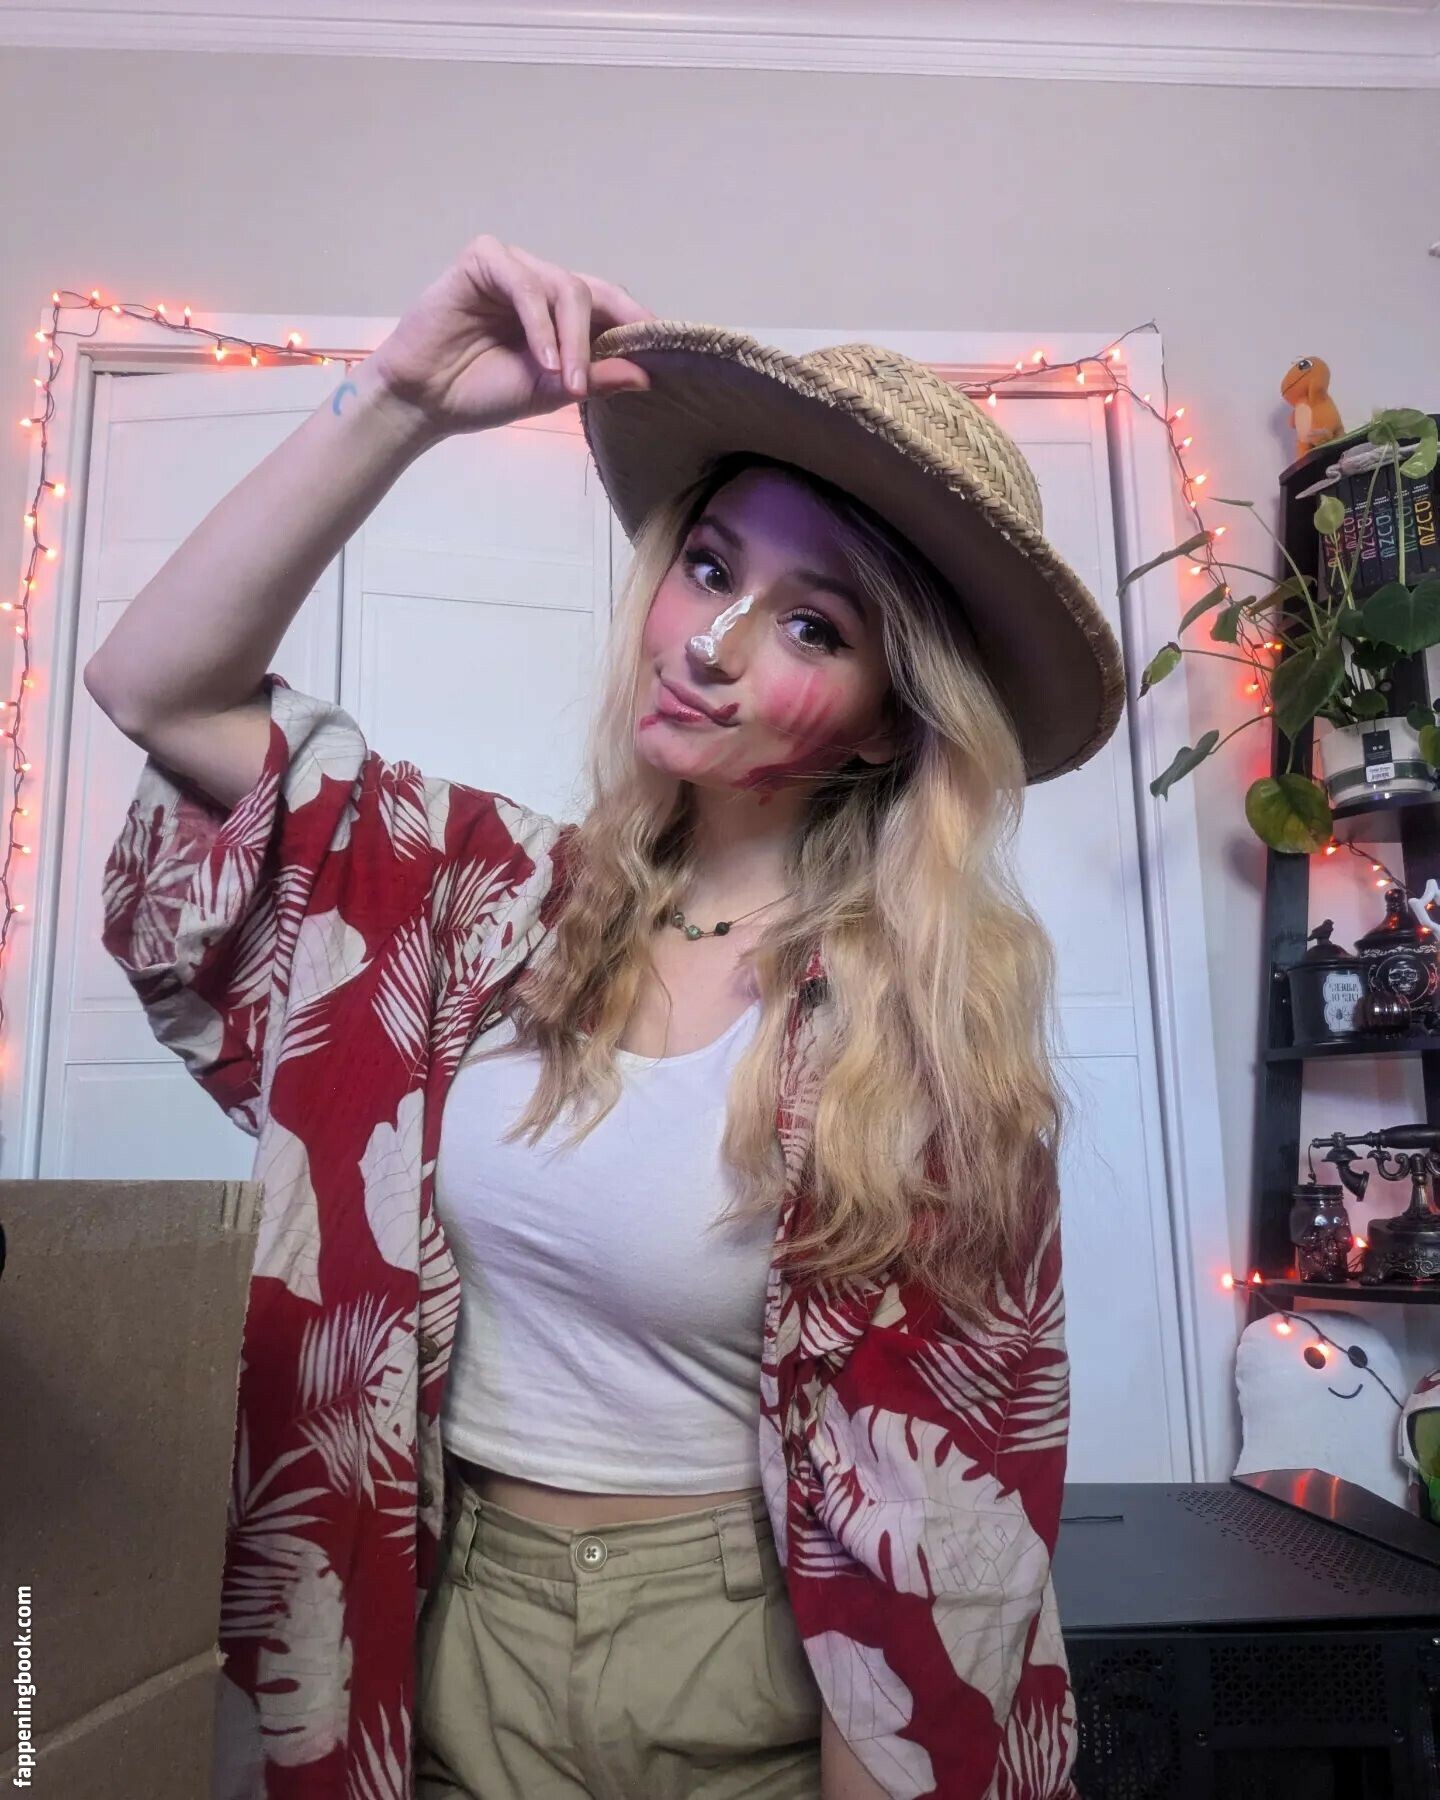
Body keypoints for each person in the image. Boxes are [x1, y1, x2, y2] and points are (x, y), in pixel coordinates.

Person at [87, 233, 1125, 1800]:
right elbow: (157, 689)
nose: (711, 642)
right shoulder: (483, 899)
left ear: (883, 726)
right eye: (710, 567)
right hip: (442, 1631)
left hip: (746, 1671)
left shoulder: (921, 1047)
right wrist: (398, 399)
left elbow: (941, 1553)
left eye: (814, 627)